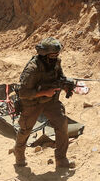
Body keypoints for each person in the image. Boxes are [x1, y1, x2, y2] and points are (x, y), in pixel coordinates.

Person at [13, 37, 76, 171]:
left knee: (62, 124)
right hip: (31, 102)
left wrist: (65, 85)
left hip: (50, 101)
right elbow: (23, 92)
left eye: (56, 55)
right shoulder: (33, 68)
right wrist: (44, 92)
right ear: (44, 54)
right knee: (25, 130)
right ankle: (19, 155)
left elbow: (60, 77)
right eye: (52, 55)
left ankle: (61, 159)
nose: (55, 57)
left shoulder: (56, 62)